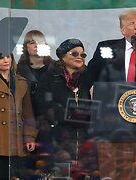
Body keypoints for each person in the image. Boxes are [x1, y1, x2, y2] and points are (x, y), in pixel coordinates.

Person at [34, 38, 91, 175]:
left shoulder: (89, 77)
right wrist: (68, 115)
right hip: (58, 139)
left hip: (84, 139)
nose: (79, 57)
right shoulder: (49, 76)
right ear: (63, 56)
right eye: (74, 53)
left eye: (82, 55)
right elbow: (42, 103)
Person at [0, 54, 38, 179]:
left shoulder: (21, 81)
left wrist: (29, 136)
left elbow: (28, 113)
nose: (6, 60)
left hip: (17, 138)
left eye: (8, 57)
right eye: (1, 58)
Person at [17, 30, 55, 117]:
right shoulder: (18, 70)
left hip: (51, 118)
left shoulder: (56, 68)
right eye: (32, 42)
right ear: (26, 47)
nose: (36, 45)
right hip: (26, 118)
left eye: (40, 42)